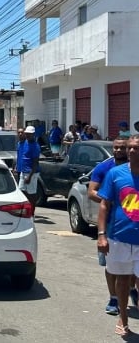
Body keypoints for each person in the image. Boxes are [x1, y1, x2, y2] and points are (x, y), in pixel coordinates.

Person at [87, 136, 136, 315]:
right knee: (111, 265)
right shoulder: (105, 168)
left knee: (132, 266)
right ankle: (114, 298)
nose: (119, 151)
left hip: (132, 225)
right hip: (110, 226)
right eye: (116, 148)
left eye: (122, 148)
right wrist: (113, 199)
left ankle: (130, 289)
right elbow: (91, 192)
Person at [97, 134, 139, 337]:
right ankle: (123, 317)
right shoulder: (115, 174)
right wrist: (101, 235)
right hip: (119, 238)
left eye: (136, 148)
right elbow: (104, 205)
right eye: (130, 147)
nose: (131, 151)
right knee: (122, 280)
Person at [17, 126, 41, 207]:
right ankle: (25, 209)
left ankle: (32, 213)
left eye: (29, 134)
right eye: (26, 134)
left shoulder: (35, 146)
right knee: (21, 191)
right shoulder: (25, 142)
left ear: (33, 134)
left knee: (31, 194)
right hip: (23, 172)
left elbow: (35, 163)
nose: (27, 135)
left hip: (31, 173)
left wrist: (29, 177)